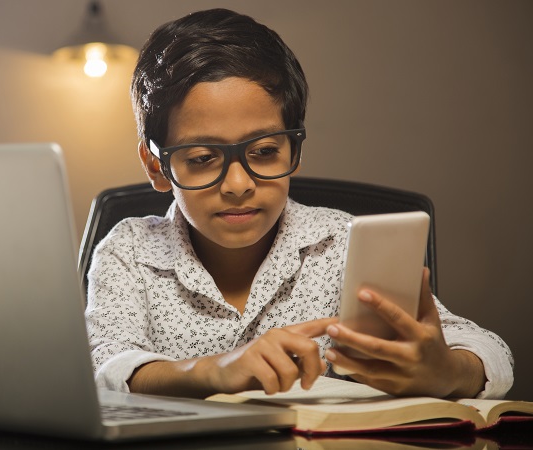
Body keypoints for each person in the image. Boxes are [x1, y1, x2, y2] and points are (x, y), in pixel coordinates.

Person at [85, 8, 513, 400]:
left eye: (265, 152)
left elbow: (488, 350)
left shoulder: (343, 248)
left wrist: (448, 372)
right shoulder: (129, 251)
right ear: (155, 165)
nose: (238, 184)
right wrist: (212, 372)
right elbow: (103, 365)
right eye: (202, 159)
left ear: (295, 152)